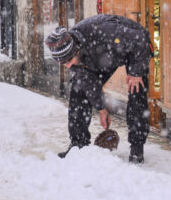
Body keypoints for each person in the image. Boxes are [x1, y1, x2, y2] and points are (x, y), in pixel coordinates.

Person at [45, 14, 153, 163]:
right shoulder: (76, 58)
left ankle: (137, 146)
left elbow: (140, 38)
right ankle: (78, 145)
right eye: (63, 63)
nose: (68, 65)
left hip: (133, 51)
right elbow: (89, 84)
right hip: (102, 58)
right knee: (78, 89)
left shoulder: (105, 31)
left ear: (76, 49)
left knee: (137, 90)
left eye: (69, 60)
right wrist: (101, 108)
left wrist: (136, 72)